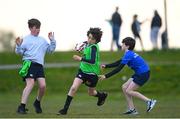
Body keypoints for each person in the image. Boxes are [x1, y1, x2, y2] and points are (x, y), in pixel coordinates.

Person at [99, 37, 156, 115]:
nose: (121, 45)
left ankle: (149, 101)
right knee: (124, 87)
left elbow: (119, 69)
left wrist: (106, 76)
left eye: (123, 44)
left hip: (143, 73)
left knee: (129, 90)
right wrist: (106, 66)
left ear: (127, 46)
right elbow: (118, 62)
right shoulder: (128, 54)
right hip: (140, 73)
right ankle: (132, 109)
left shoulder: (128, 54)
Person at [57, 28, 107, 115]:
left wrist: (80, 58)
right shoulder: (87, 44)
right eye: (89, 37)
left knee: (91, 93)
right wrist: (79, 47)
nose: (90, 40)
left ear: (96, 40)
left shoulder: (94, 47)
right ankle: (64, 110)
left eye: (92, 39)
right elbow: (83, 45)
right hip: (82, 71)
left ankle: (101, 96)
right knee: (73, 88)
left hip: (92, 74)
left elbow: (92, 61)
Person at [15, 18, 56, 114]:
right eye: (36, 27)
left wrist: (52, 41)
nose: (38, 29)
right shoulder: (25, 39)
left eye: (39, 28)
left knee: (43, 86)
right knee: (30, 84)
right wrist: (18, 46)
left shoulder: (42, 40)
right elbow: (19, 52)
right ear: (30, 28)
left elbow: (50, 50)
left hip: (39, 66)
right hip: (29, 64)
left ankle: (37, 102)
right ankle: (22, 107)